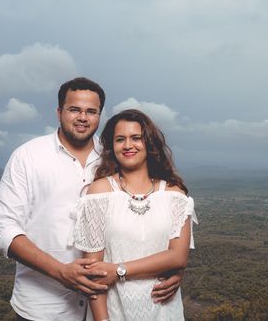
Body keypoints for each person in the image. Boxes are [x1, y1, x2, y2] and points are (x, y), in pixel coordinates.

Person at [0, 78, 183, 320]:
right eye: (74, 109)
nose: (83, 117)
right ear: (59, 112)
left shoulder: (116, 158)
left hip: (109, 305)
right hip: (44, 308)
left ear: (100, 116)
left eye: (91, 111)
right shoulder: (27, 157)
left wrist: (173, 270)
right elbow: (3, 231)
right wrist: (61, 272)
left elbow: (147, 224)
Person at [70, 109, 196, 321]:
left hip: (165, 311)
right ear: (112, 147)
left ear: (149, 143)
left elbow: (178, 257)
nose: (128, 145)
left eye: (136, 138)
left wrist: (118, 270)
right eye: (120, 139)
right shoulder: (100, 192)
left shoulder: (174, 195)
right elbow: (94, 273)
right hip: (115, 311)